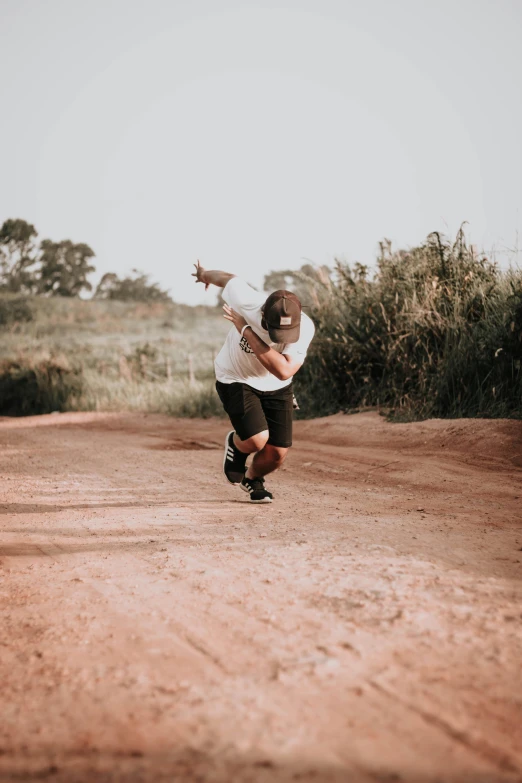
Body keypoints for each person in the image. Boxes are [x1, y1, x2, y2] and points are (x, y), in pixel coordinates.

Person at [192, 260, 315, 503]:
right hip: (235, 376)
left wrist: (246, 330)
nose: (283, 339)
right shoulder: (248, 301)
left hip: (276, 383)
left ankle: (253, 478)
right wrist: (204, 274)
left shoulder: (306, 327)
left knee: (277, 453)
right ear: (263, 315)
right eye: (276, 332)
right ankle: (237, 445)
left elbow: (284, 371)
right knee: (257, 439)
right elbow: (228, 278)